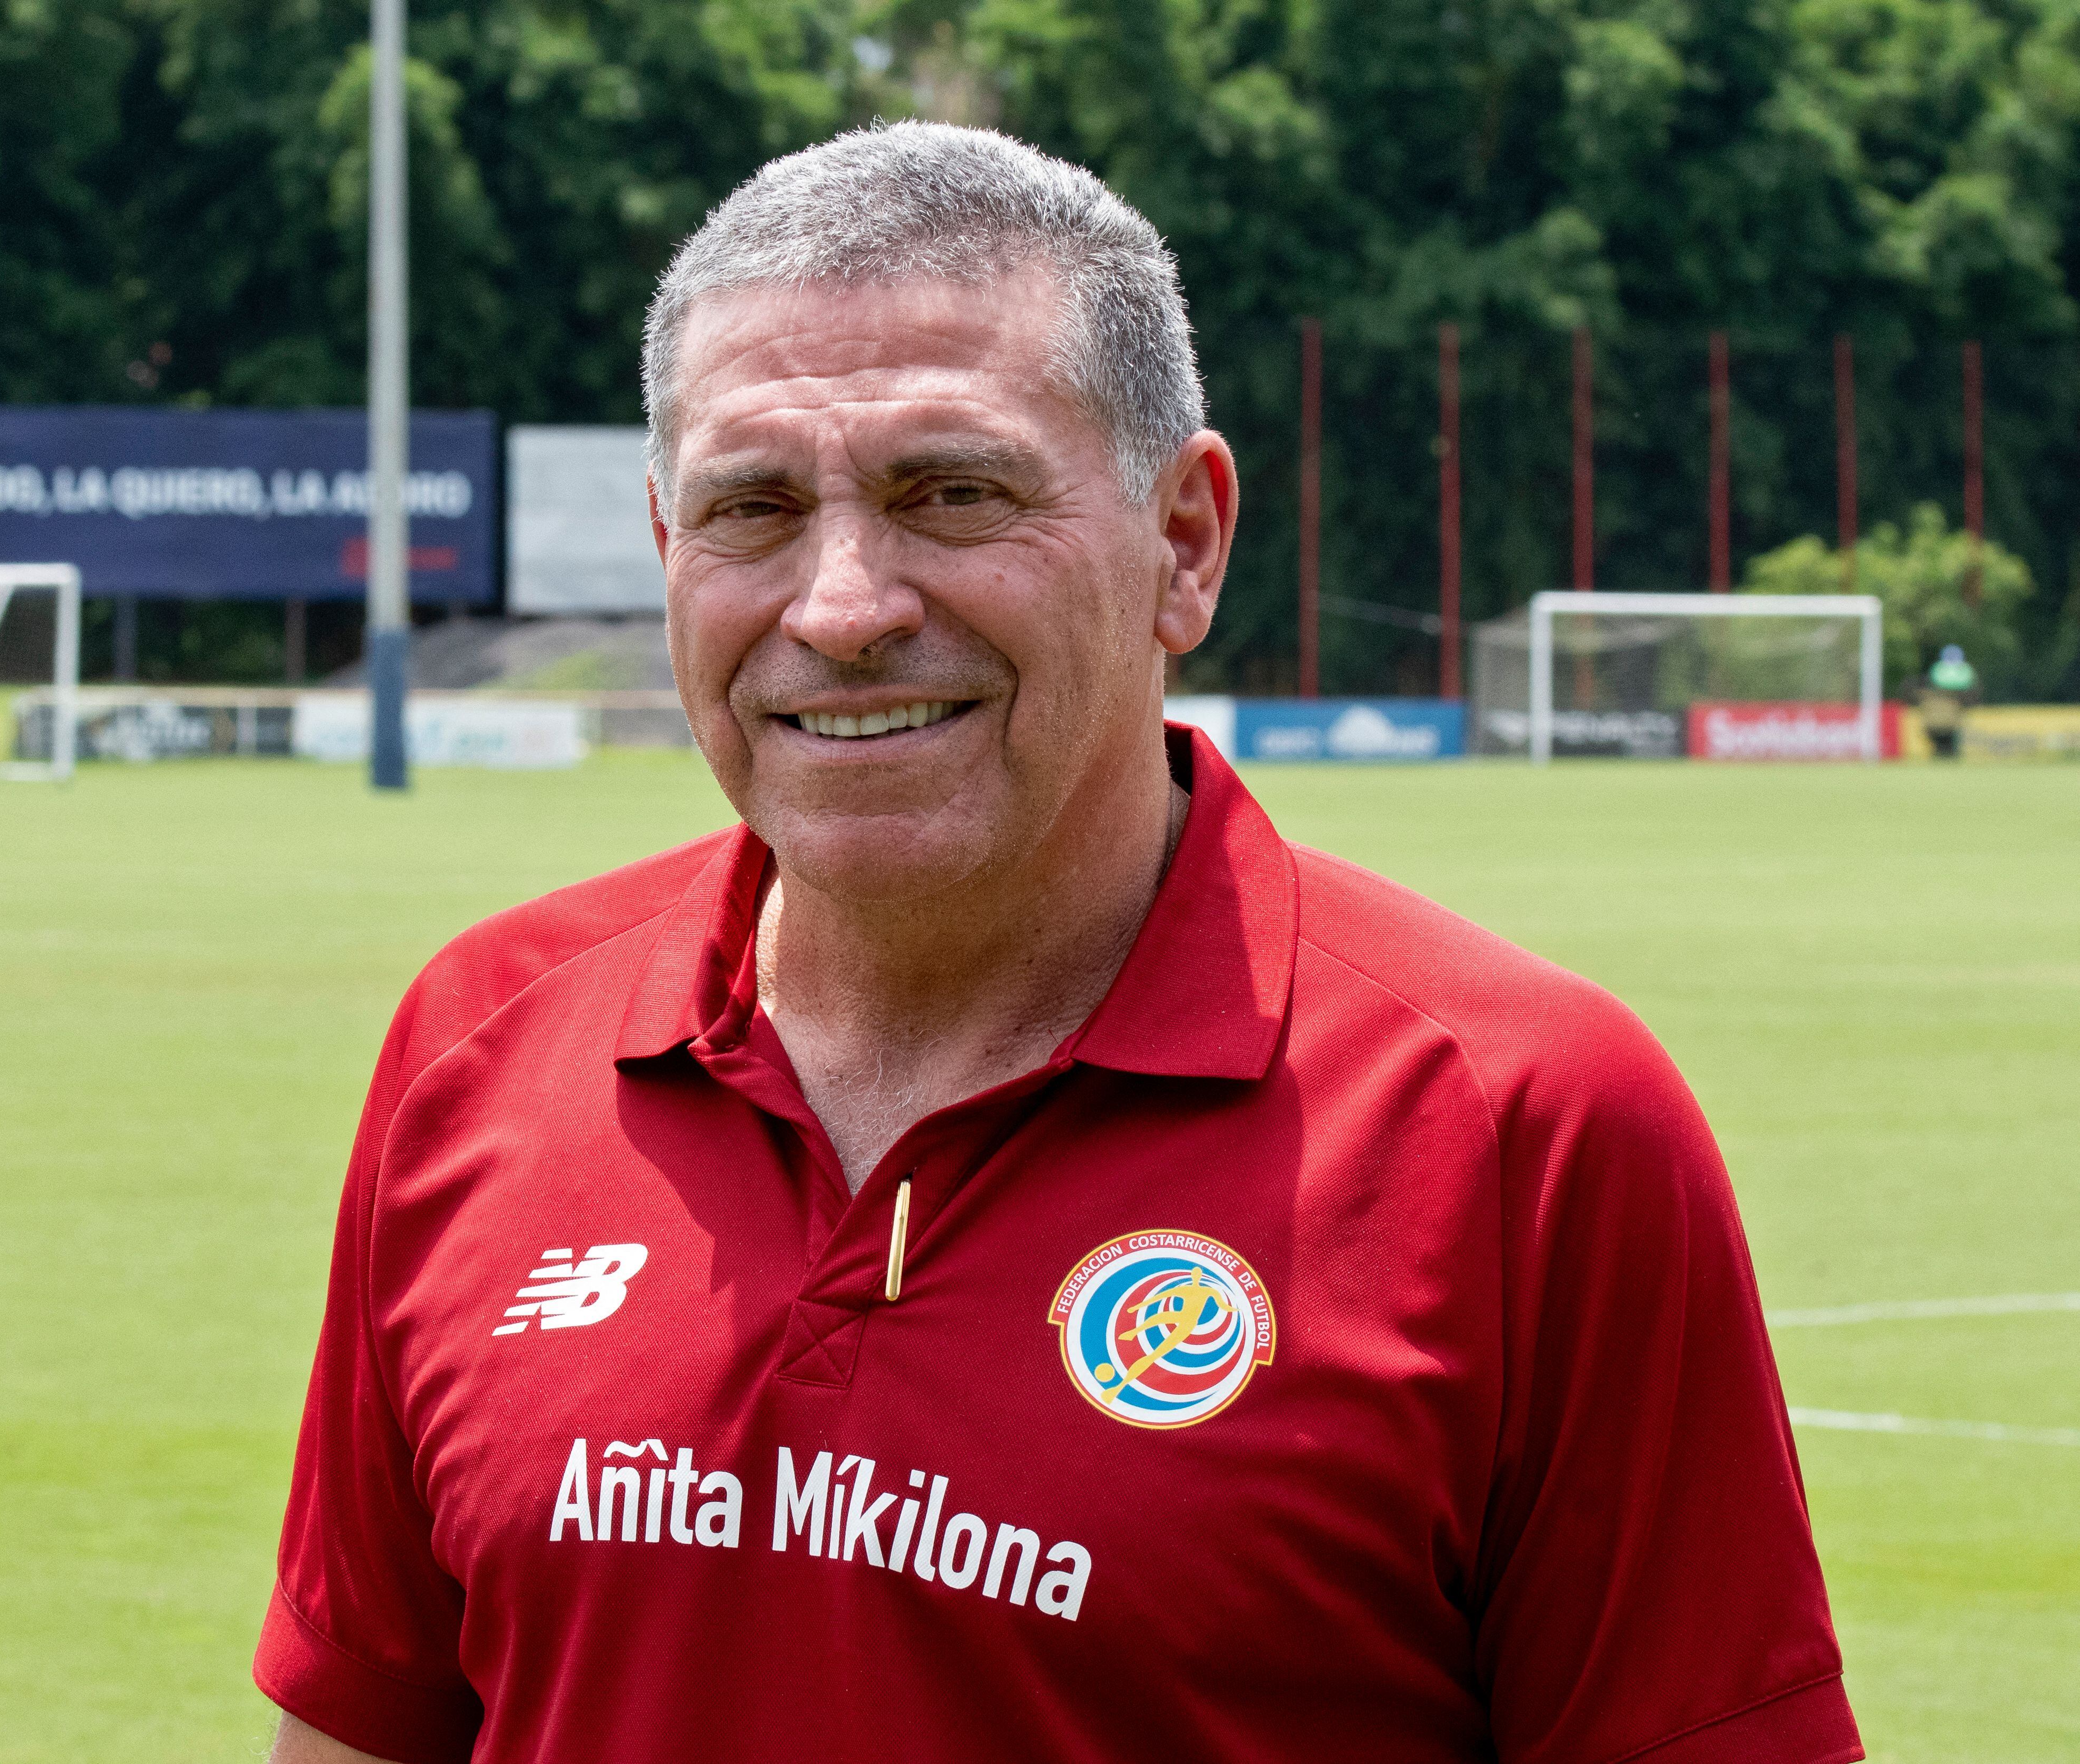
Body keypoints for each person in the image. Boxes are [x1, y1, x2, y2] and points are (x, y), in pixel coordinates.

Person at [255, 123, 1861, 1764]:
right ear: (671, 557)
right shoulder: (478, 1042)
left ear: (1185, 542)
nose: (842, 604)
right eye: (750, 508)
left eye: (950, 491)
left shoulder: (1525, 1124)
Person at [1920, 642, 1978, 758]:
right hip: (1950, 717)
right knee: (1950, 740)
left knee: (1943, 742)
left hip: (1939, 717)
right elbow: (1970, 688)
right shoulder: (1964, 671)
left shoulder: (1937, 670)